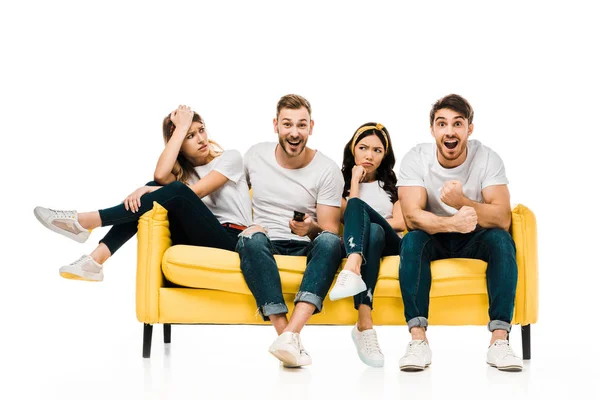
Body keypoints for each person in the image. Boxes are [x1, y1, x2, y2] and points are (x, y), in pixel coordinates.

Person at [34, 105, 252, 282]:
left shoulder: (230, 158)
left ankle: (86, 221)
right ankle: (95, 260)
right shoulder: (183, 176)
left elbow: (197, 192)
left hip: (233, 240)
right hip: (199, 237)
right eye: (189, 135)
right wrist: (178, 130)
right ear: (178, 143)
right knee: (152, 194)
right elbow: (160, 175)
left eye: (201, 130)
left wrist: (150, 189)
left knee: (165, 190)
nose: (201, 139)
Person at [396, 94, 522, 372]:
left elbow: (502, 217)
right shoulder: (416, 158)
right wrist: (452, 223)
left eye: (457, 124)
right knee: (412, 240)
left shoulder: (487, 157)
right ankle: (418, 341)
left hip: (476, 236)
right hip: (433, 235)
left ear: (469, 129)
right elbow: (412, 217)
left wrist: (461, 202)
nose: (450, 131)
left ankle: (499, 341)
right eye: (442, 124)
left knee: (502, 240)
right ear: (433, 130)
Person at [236, 94, 344, 368]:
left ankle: (290, 335)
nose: (294, 133)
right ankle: (287, 336)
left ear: (311, 127)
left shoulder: (327, 169)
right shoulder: (255, 156)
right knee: (250, 237)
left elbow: (329, 230)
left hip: (304, 244)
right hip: (264, 242)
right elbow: (228, 191)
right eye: (287, 124)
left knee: (331, 242)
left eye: (301, 125)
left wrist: (310, 228)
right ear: (275, 125)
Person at [328, 122, 405, 367]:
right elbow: (344, 216)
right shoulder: (339, 186)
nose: (369, 155)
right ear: (353, 150)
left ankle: (352, 267)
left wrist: (371, 217)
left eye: (377, 150)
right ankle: (364, 322)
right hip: (369, 242)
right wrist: (353, 182)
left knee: (372, 224)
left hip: (393, 244)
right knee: (372, 231)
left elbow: (401, 222)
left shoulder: (393, 187)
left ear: (385, 155)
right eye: (363, 148)